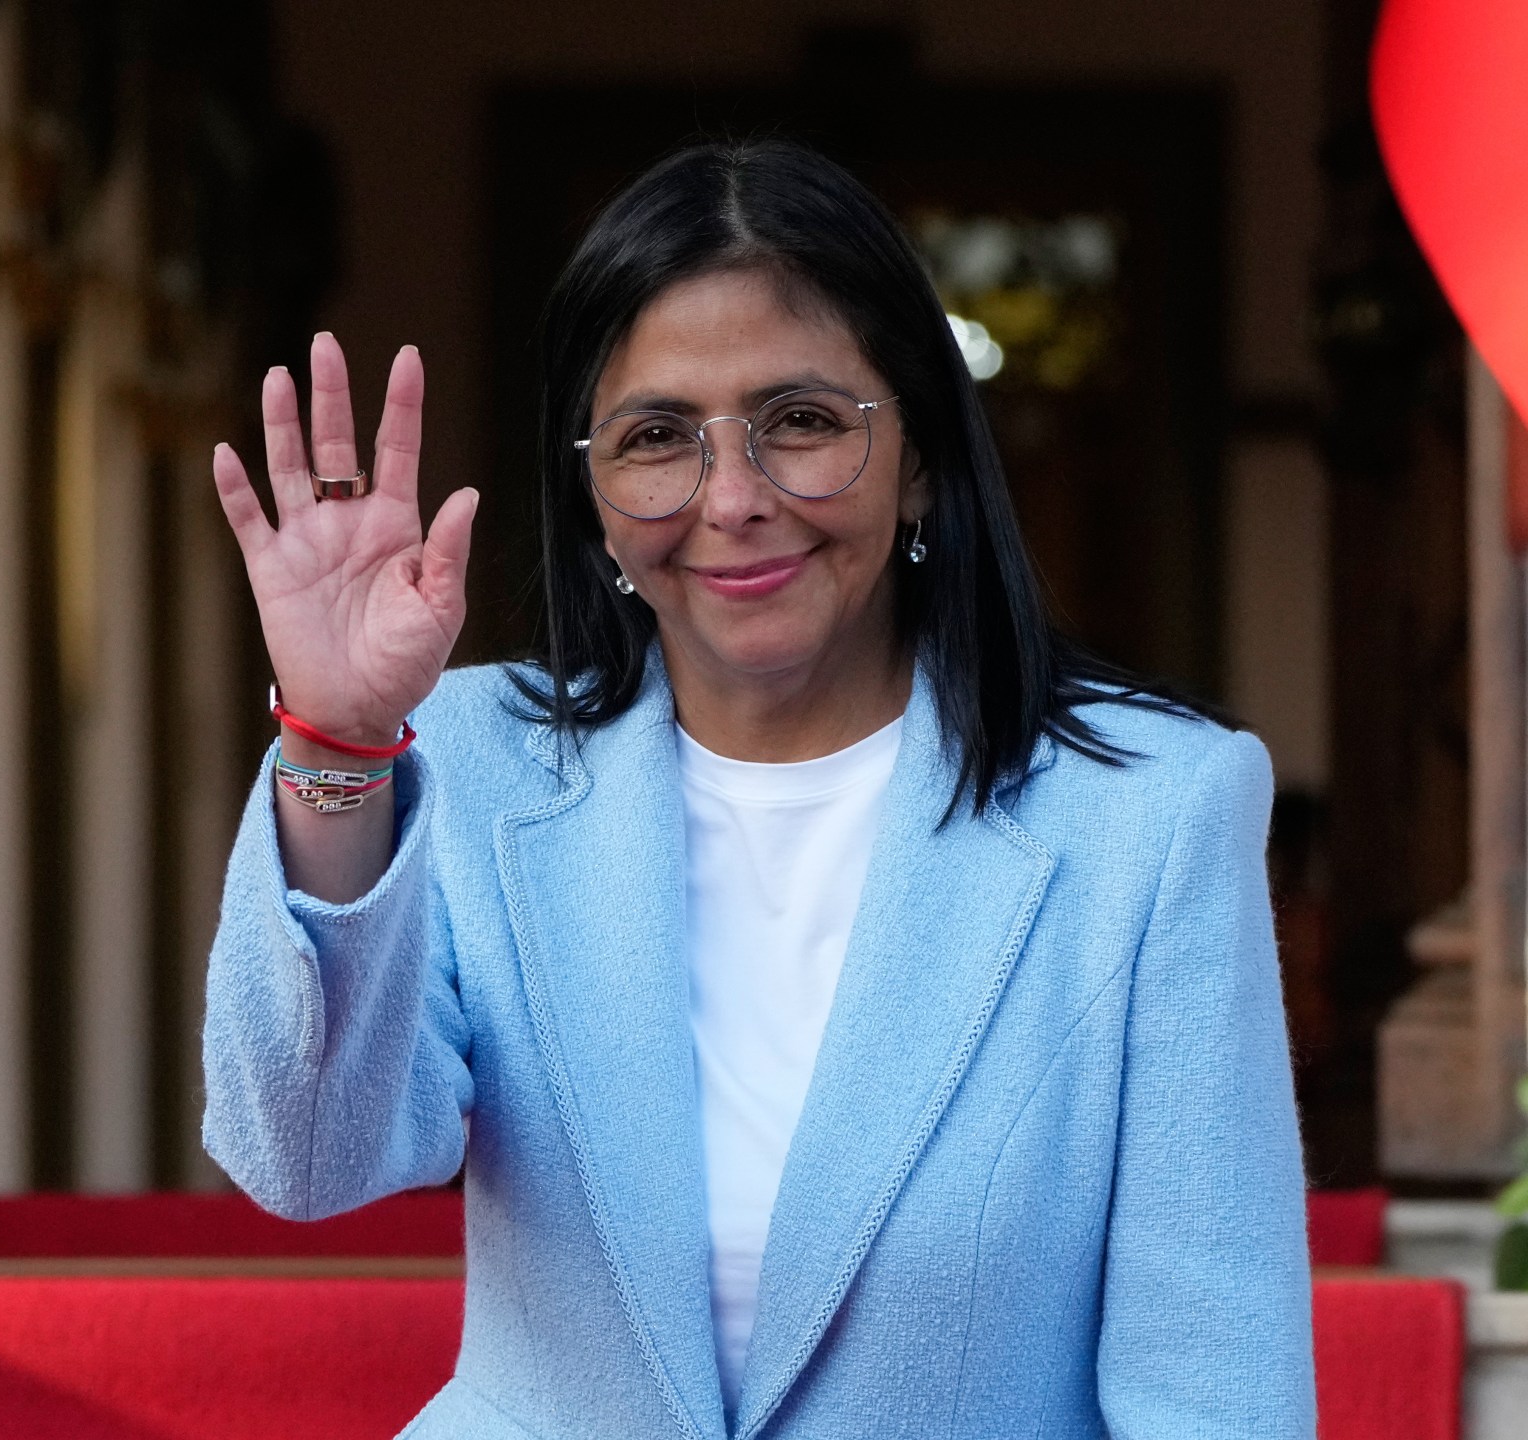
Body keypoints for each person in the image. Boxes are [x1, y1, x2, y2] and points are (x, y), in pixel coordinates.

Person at [203, 139, 1314, 1439]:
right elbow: (308, 1158)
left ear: (919, 456)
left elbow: (1213, 1389)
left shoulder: (1153, 816)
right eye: (656, 438)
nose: (732, 499)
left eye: (801, 421)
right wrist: (340, 744)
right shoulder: (471, 760)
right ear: (595, 495)